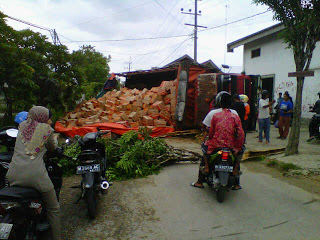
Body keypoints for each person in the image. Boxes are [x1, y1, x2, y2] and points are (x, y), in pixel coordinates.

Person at [6, 106, 61, 240]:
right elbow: (52, 147)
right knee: (53, 209)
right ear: (43, 118)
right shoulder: (47, 130)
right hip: (35, 176)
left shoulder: (22, 126)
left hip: (12, 174)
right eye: (49, 118)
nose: (51, 121)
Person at [190, 91, 245, 190]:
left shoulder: (214, 114)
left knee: (205, 151)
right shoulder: (235, 115)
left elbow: (210, 132)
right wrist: (238, 146)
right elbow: (240, 133)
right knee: (238, 155)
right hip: (231, 145)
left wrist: (209, 139)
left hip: (216, 144)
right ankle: (236, 179)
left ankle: (202, 175)